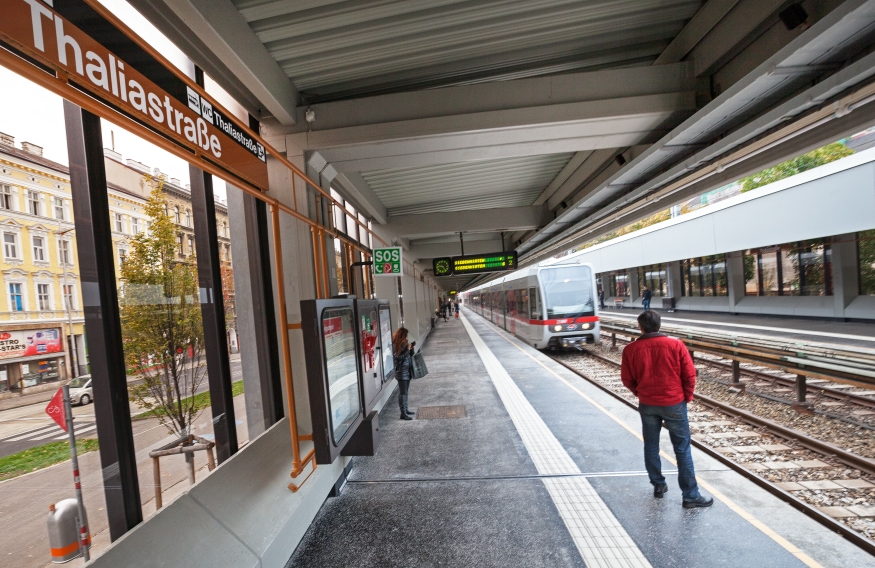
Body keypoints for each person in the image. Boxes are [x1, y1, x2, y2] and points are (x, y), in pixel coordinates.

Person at [620, 310, 712, 508]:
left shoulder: (630, 349)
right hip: (674, 403)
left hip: (648, 404)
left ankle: (658, 485)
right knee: (682, 448)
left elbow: (627, 379)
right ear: (659, 325)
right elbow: (689, 375)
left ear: (641, 327)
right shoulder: (676, 344)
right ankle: (690, 496)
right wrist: (686, 397)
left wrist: (641, 393)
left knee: (651, 445)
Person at [392, 327, 416, 420]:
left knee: (405, 392)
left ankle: (406, 409)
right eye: (406, 335)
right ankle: (403, 413)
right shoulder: (396, 345)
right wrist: (407, 350)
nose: (407, 337)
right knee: (403, 393)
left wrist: (411, 348)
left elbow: (410, 355)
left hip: (407, 370)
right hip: (401, 371)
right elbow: (398, 358)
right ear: (402, 335)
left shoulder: (404, 343)